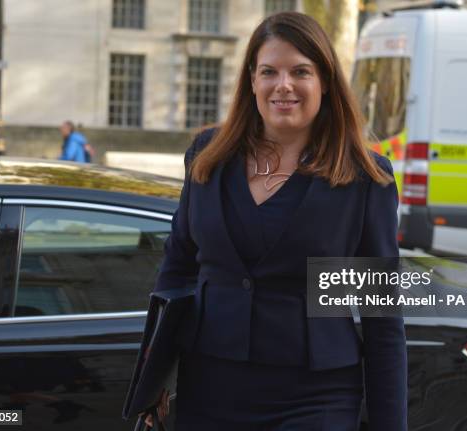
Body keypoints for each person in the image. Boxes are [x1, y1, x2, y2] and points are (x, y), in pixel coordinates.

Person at [143, 12, 407, 431]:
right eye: (270, 71)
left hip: (315, 397)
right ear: (252, 80)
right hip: (209, 387)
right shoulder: (208, 156)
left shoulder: (363, 176)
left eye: (300, 71)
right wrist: (152, 376)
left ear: (324, 82)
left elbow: (381, 317)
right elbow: (177, 269)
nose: (283, 85)